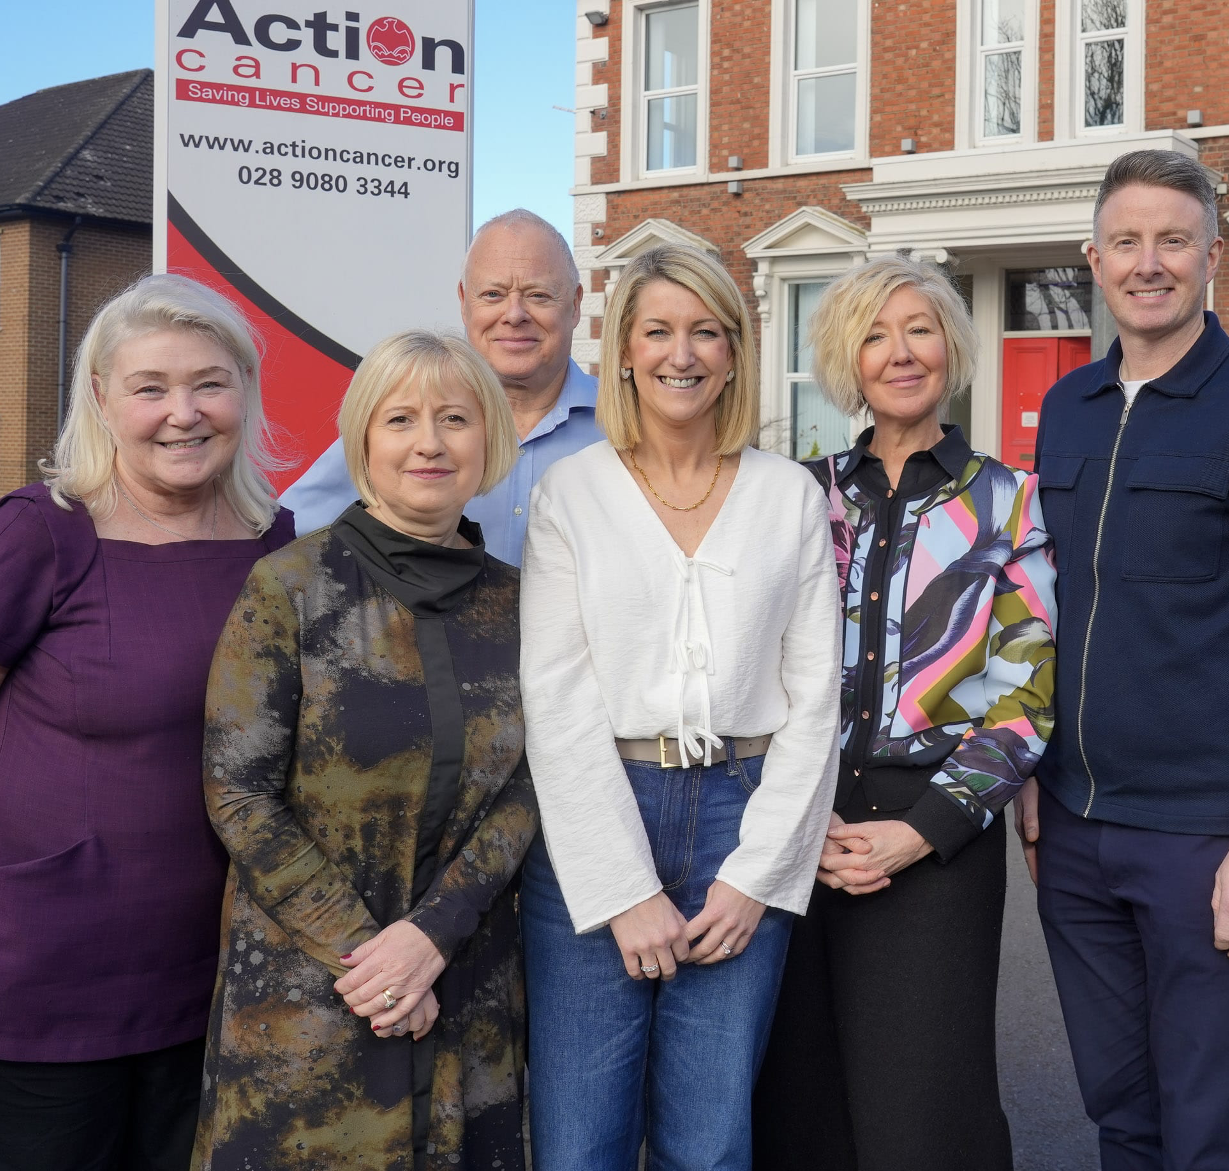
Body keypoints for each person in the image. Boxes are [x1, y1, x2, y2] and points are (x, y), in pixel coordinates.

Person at [519, 243, 842, 1171]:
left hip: (745, 818)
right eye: (657, 331)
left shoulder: (788, 496)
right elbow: (558, 699)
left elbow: (814, 702)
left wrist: (757, 878)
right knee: (582, 1140)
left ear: (736, 352)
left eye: (706, 332)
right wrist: (622, 890)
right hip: (598, 815)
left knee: (710, 1141)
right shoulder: (570, 495)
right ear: (622, 349)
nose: (681, 353)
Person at [194, 330, 537, 1171]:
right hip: (312, 995)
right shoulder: (291, 586)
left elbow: (531, 783)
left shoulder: (520, 604)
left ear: (487, 437)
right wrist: (371, 959)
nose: (429, 442)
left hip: (466, 979)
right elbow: (237, 792)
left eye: (455, 418)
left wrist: (431, 938)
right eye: (401, 419)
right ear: (363, 442)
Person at [1013, 148, 1229, 1169]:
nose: (1149, 261)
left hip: (1210, 841)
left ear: (1213, 256)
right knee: (1122, 1116)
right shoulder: (1070, 412)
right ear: (1094, 257)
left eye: (1174, 239)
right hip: (1075, 833)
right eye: (1126, 240)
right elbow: (1036, 613)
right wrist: (1032, 775)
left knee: (1211, 1131)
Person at [753, 255, 1057, 1171]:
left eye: (919, 329)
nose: (899, 353)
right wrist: (805, 817)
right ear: (848, 359)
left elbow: (1027, 696)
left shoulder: (1009, 501)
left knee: (924, 1109)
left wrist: (920, 832)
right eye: (875, 335)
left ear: (951, 347)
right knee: (797, 1096)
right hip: (797, 823)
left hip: (937, 834)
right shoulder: (797, 496)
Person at [0, 275, 293, 1171]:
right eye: (150, 388)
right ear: (100, 398)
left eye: (210, 382)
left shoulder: (276, 544)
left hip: (224, 970)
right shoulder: (46, 533)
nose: (184, 413)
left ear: (243, 392)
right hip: (53, 978)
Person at [282, 209, 599, 561]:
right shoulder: (404, 425)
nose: (514, 314)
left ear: (574, 305)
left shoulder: (629, 427)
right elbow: (290, 534)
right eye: (493, 294)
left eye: (538, 295)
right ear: (464, 303)